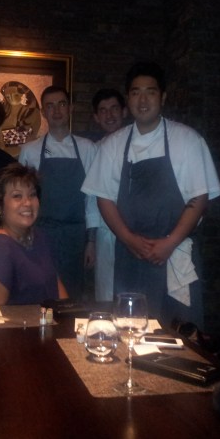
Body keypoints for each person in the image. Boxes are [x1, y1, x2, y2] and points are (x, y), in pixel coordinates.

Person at [82, 62, 220, 329]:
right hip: (130, 256)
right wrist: (128, 239)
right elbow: (104, 198)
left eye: (151, 92)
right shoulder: (113, 145)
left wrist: (170, 242)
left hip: (174, 253)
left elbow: (199, 198)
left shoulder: (188, 140)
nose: (143, 100)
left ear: (163, 97)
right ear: (128, 99)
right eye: (136, 93)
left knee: (178, 335)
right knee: (131, 331)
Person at [18, 86, 100, 301]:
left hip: (76, 237)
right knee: (39, 292)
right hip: (40, 234)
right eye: (50, 106)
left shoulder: (88, 148)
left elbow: (92, 200)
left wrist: (91, 242)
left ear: (70, 108)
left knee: (73, 296)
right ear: (43, 112)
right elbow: (22, 199)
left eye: (62, 104)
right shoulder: (30, 150)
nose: (56, 110)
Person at [0, 163, 68, 305]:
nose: (27, 203)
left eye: (32, 195)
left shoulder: (39, 237)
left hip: (48, 318)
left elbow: (60, 296)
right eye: (17, 196)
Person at [90, 88, 127, 301]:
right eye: (103, 110)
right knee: (106, 292)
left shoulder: (138, 145)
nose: (109, 115)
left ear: (124, 111)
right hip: (105, 232)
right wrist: (91, 240)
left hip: (136, 227)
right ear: (96, 117)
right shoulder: (95, 150)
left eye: (114, 108)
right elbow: (91, 199)